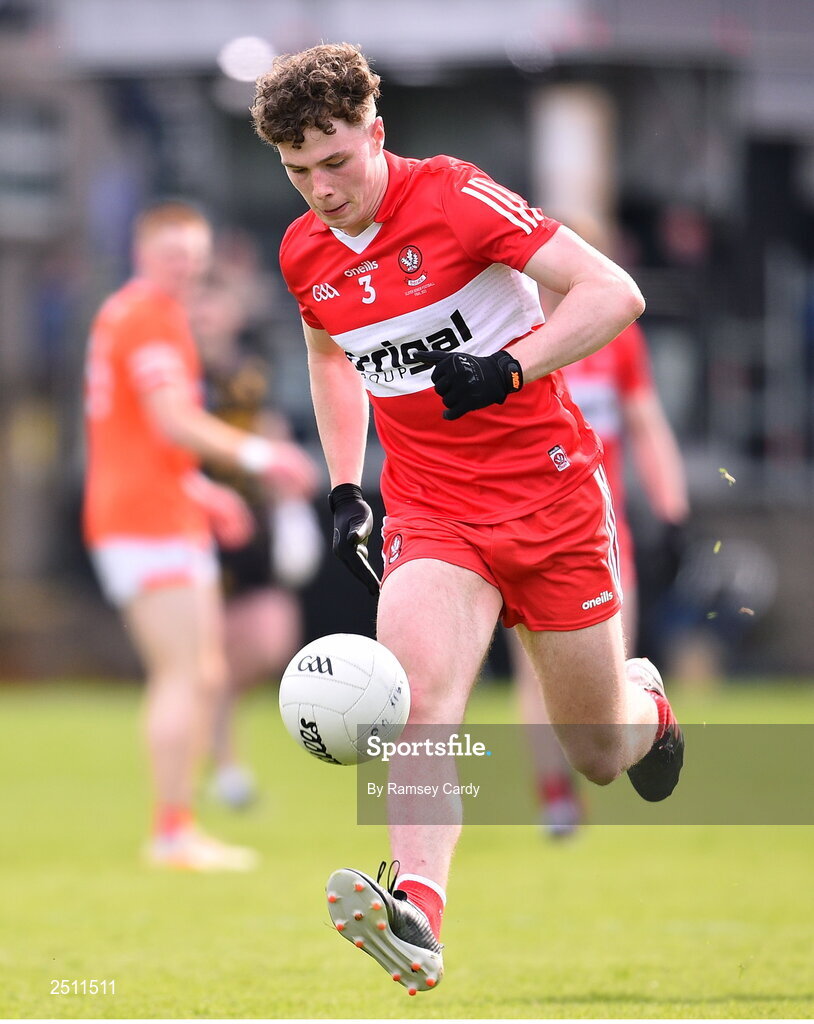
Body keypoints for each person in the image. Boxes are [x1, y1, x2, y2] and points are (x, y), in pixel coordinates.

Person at [251, 43, 685, 992]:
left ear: (377, 132)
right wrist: (344, 482)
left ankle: (644, 710)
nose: (321, 191)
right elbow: (331, 357)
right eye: (297, 173)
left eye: (336, 163)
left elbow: (615, 292)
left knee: (600, 753)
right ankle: (419, 914)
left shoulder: (453, 195)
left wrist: (510, 364)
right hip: (432, 507)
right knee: (420, 700)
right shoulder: (304, 251)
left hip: (553, 495)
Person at [82, 202, 318, 870]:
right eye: (172, 255)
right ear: (141, 252)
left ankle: (180, 822)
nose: (184, 269)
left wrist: (203, 491)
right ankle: (172, 830)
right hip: (144, 519)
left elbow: (134, 434)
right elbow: (169, 419)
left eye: (194, 258)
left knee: (203, 671)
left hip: (157, 508)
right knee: (184, 674)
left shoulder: (135, 315)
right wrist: (256, 458)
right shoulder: (148, 316)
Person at [512, 316, 690, 836]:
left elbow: (646, 422)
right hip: (518, 526)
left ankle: (640, 706)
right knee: (534, 673)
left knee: (605, 673)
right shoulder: (501, 321)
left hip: (597, 530)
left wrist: (671, 507)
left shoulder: (615, 333)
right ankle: (556, 799)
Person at [189, 273, 323, 807]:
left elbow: (269, 431)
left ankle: (208, 744)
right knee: (208, 657)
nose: (205, 322)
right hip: (195, 525)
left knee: (271, 641)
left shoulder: (250, 373)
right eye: (196, 312)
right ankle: (223, 767)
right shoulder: (175, 377)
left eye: (213, 311)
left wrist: (287, 481)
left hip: (251, 525)